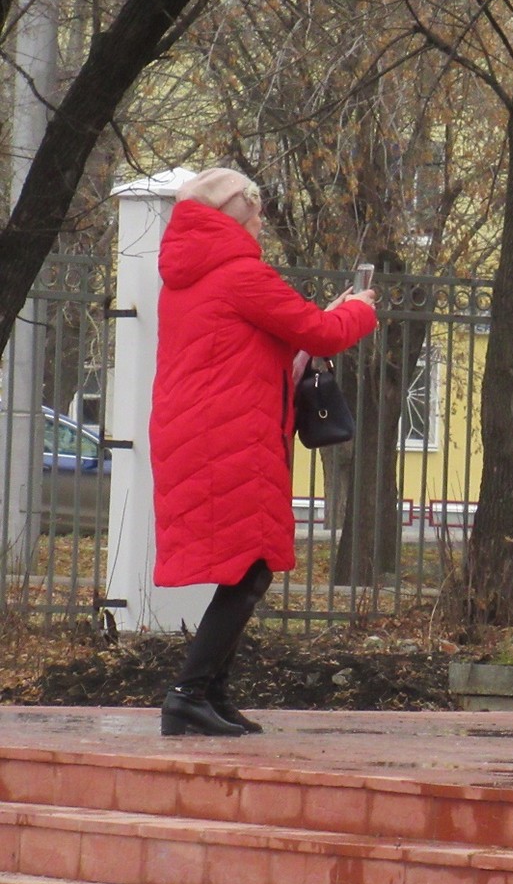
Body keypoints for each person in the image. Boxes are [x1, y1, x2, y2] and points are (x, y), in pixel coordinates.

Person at [150, 167, 379, 737]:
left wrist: (322, 315)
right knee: (249, 568)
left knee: (247, 566)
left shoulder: (187, 279)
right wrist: (361, 310)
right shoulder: (239, 275)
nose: (260, 224)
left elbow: (275, 334)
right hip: (230, 438)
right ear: (233, 216)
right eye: (255, 213)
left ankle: (211, 695)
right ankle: (188, 693)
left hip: (205, 434)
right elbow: (321, 335)